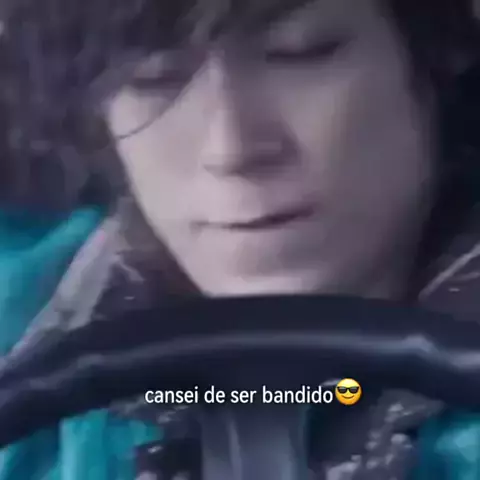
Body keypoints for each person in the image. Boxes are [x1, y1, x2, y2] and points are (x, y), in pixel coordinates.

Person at [0, 0, 480, 478]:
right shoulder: (18, 307)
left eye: (299, 53)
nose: (230, 149)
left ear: (432, 57)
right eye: (152, 78)